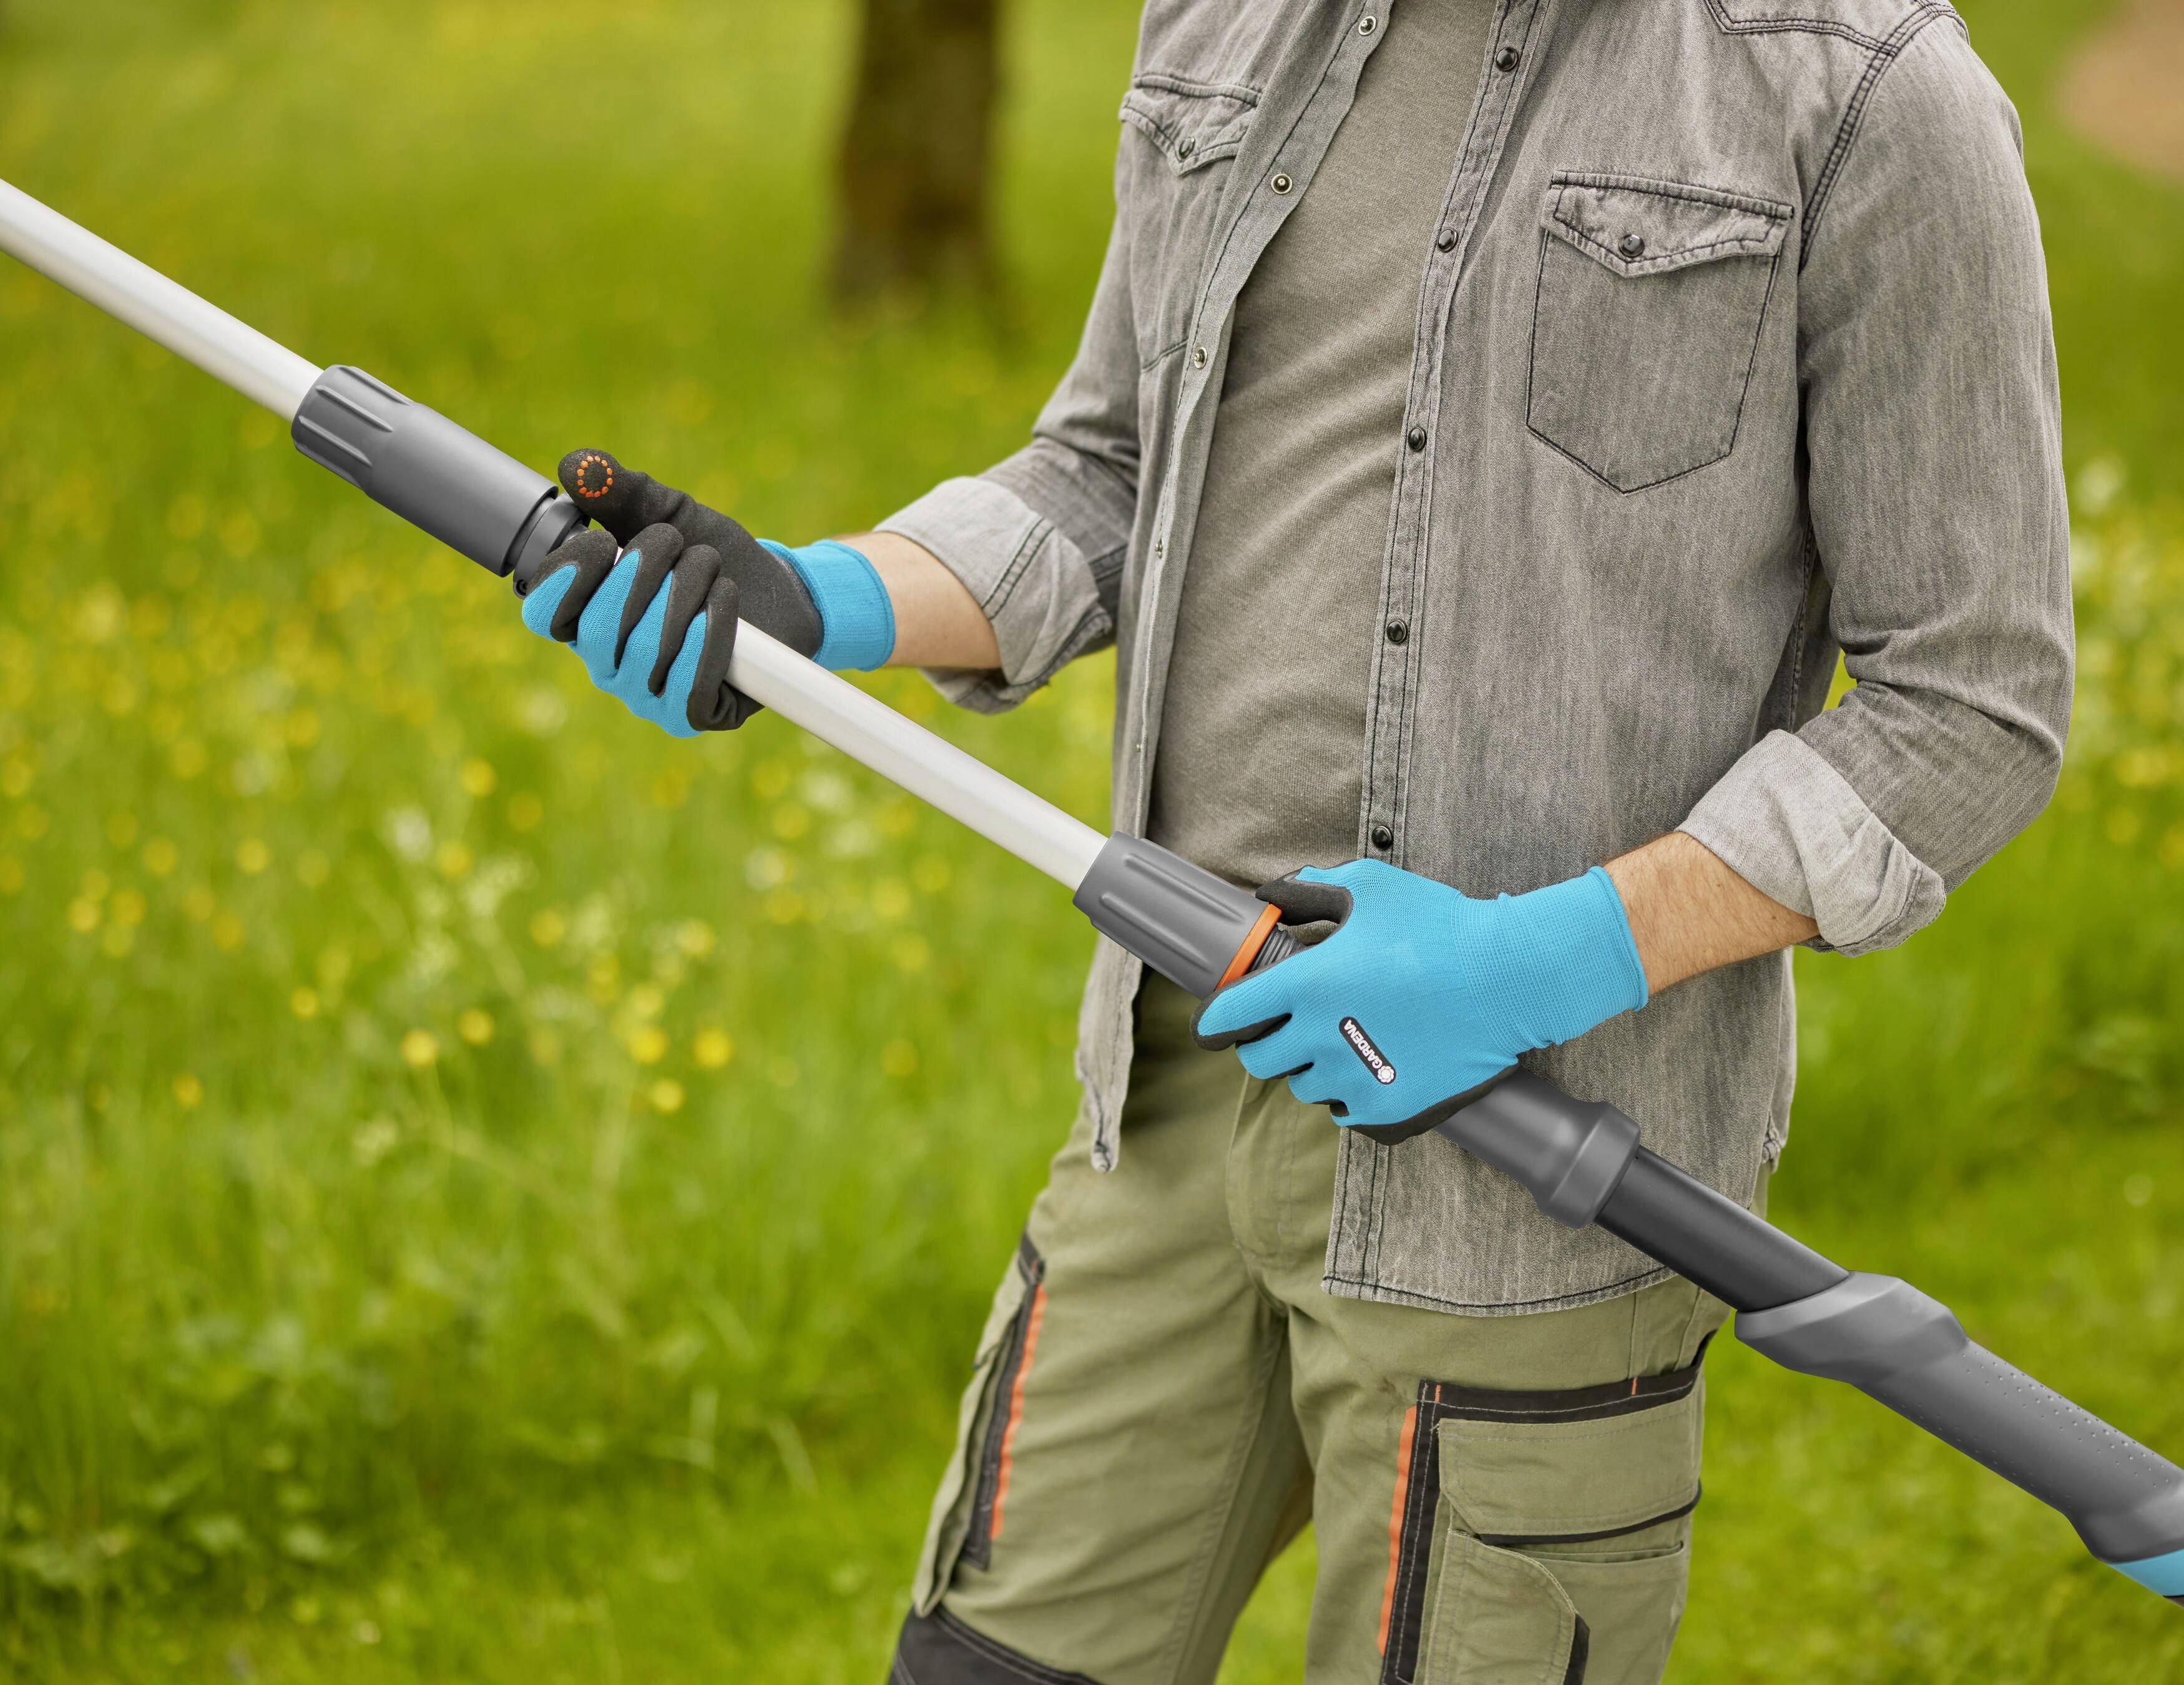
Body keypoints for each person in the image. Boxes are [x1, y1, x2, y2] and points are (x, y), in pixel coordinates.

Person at [516, 0, 2072, 1677]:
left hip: (1534, 1167)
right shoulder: (1224, 20)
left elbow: (1968, 700)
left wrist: (1526, 965)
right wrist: (818, 602)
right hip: (1175, 1087)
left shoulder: (1864, 90)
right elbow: (1111, 465)